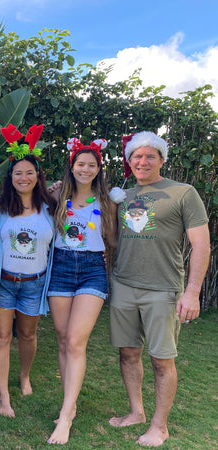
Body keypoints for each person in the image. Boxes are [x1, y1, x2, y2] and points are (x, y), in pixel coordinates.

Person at [108, 131, 210, 447]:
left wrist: (192, 291)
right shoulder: (122, 194)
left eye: (150, 155)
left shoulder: (183, 193)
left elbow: (201, 244)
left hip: (163, 290)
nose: (142, 161)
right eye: (136, 156)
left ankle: (159, 426)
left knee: (161, 360)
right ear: (129, 161)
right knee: (128, 353)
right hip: (123, 285)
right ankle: (136, 412)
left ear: (162, 159)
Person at [46, 137, 117, 444]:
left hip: (91, 270)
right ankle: (69, 404)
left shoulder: (109, 202)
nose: (85, 169)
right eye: (80, 164)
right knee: (63, 340)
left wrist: (106, 254)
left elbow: (113, 240)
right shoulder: (57, 197)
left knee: (76, 341)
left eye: (91, 165)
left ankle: (64, 418)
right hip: (60, 267)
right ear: (71, 167)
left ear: (98, 169)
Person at [0, 124, 56, 417]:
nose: (23, 177)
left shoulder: (51, 207)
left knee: (27, 335)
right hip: (4, 282)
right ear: (10, 177)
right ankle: (3, 394)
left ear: (38, 176)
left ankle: (24, 375)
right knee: (1, 336)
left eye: (29, 172)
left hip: (34, 283)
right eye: (18, 173)